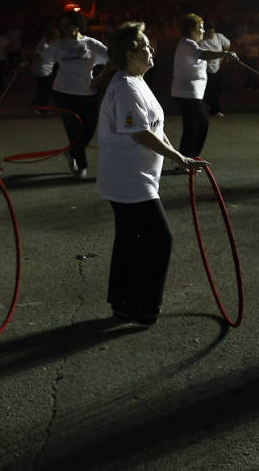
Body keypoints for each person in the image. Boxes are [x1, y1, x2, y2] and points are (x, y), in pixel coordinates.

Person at [95, 21, 195, 326]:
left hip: (135, 178)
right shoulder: (125, 86)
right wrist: (176, 156)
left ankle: (123, 301)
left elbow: (155, 129)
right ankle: (144, 306)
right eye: (146, 45)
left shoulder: (136, 81)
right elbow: (139, 132)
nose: (152, 48)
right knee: (159, 239)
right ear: (131, 52)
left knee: (131, 240)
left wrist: (179, 157)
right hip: (129, 181)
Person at [37, 11, 110, 179]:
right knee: (73, 130)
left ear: (77, 25)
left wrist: (101, 77)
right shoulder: (59, 44)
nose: (63, 29)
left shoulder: (91, 44)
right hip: (64, 94)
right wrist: (29, 62)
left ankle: (72, 153)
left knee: (89, 128)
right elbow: (42, 57)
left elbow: (113, 59)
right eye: (61, 26)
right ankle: (81, 165)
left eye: (66, 25)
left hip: (88, 93)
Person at [169, 14, 235, 158]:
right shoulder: (188, 43)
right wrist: (224, 54)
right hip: (187, 94)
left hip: (187, 94)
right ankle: (188, 158)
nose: (203, 31)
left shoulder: (187, 44)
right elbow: (202, 55)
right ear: (192, 29)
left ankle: (188, 157)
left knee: (194, 125)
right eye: (200, 28)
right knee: (199, 123)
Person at [197, 19, 233, 118]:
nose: (211, 34)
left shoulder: (219, 37)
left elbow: (228, 45)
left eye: (212, 31)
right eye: (209, 32)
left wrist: (223, 57)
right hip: (206, 71)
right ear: (205, 31)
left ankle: (210, 104)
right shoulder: (201, 41)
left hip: (217, 69)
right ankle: (214, 110)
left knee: (221, 87)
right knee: (212, 91)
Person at [29, 22, 60, 111]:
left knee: (42, 90)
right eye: (57, 36)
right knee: (46, 91)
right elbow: (39, 57)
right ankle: (41, 108)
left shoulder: (44, 41)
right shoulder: (45, 46)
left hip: (39, 69)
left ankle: (36, 104)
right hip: (43, 71)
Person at [235, 24, 259, 91]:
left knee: (251, 71)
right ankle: (252, 86)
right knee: (250, 71)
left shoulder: (257, 35)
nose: (252, 29)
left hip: (254, 56)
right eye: (251, 28)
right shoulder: (245, 36)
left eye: (253, 28)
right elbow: (237, 43)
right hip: (247, 56)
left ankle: (251, 86)